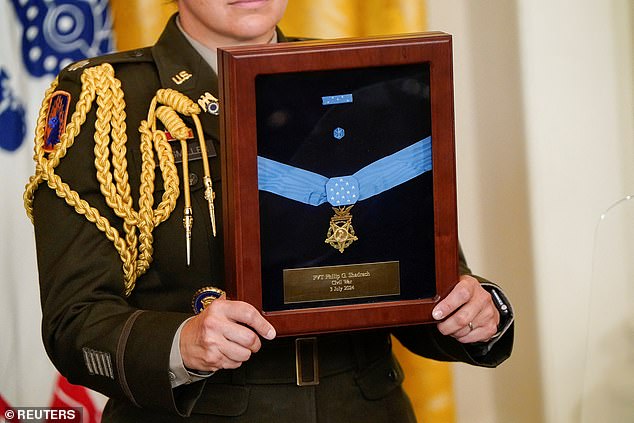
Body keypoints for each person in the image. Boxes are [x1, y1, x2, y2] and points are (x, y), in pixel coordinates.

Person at [23, 1, 514, 421]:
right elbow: (74, 322)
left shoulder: (364, 76)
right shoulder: (109, 101)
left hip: (368, 406)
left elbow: (423, 282)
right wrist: (180, 344)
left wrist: (476, 311)